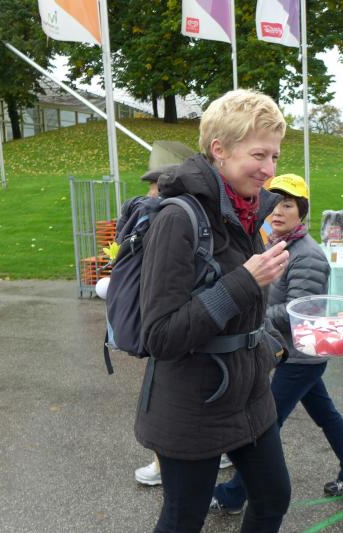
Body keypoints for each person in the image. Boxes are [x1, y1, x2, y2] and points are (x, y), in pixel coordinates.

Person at [136, 89, 292, 532]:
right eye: (258, 154)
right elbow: (160, 336)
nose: (270, 169)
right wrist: (245, 281)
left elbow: (246, 309)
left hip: (249, 393)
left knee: (273, 497)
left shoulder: (248, 212)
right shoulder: (178, 219)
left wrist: (274, 341)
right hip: (192, 404)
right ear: (219, 150)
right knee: (184, 519)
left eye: (275, 156)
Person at [210, 174, 343, 515]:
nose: (278, 211)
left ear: (302, 212)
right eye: (273, 204)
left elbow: (301, 311)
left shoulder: (307, 255)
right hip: (294, 354)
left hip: (299, 356)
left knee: (265, 425)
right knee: (327, 415)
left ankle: (233, 495)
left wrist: (252, 316)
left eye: (287, 205)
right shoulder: (277, 245)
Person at [131, 163, 234, 486]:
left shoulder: (185, 216)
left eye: (156, 185)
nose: (152, 193)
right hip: (189, 368)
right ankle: (162, 463)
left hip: (204, 369)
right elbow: (162, 333)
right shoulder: (175, 218)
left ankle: (168, 463)